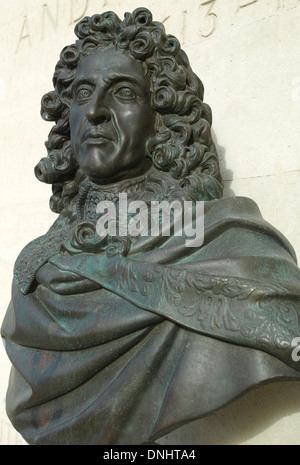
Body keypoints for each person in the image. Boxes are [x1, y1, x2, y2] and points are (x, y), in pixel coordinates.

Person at [2, 8, 300, 445]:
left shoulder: (228, 242)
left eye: (122, 92)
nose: (96, 111)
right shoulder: (38, 267)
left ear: (161, 117)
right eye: (83, 92)